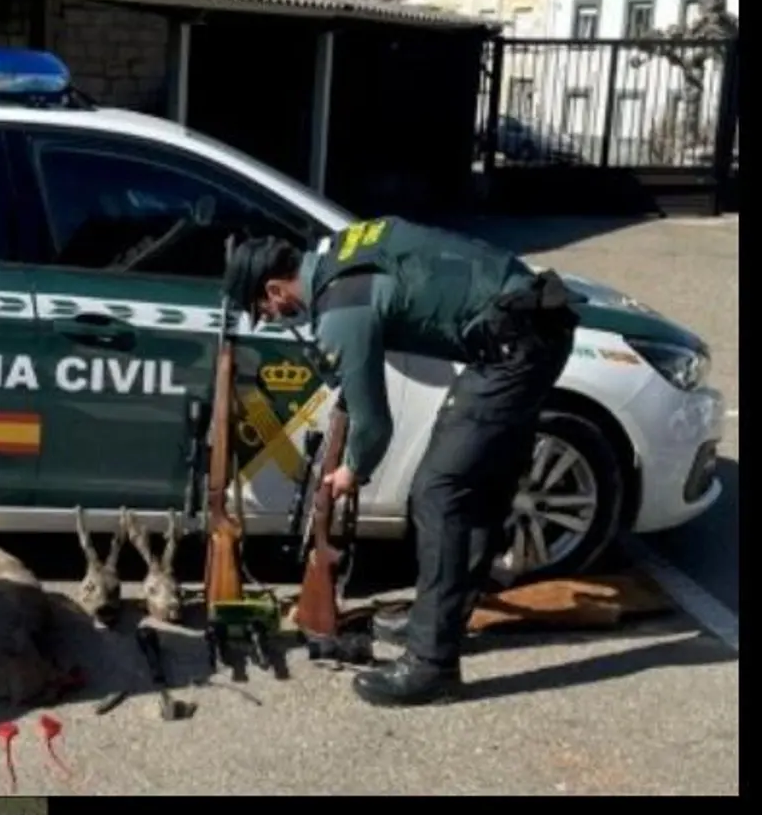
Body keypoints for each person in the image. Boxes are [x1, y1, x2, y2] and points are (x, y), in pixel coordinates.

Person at [223, 216, 579, 706]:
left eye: (265, 309)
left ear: (274, 288)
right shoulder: (341, 252)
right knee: (476, 484)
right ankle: (442, 617)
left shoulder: (338, 310)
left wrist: (351, 471)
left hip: (513, 346)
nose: (274, 317)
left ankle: (431, 665)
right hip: (530, 322)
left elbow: (374, 426)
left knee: (438, 491)